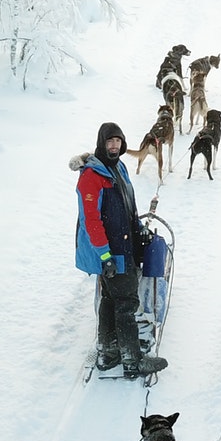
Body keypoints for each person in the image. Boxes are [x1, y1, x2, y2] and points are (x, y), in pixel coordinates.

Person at [74, 121, 168, 377]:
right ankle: (132, 360)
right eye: (109, 141)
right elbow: (90, 220)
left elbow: (127, 206)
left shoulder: (119, 167)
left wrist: (138, 227)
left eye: (118, 141)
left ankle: (108, 352)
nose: (114, 145)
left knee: (109, 299)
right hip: (111, 250)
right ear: (101, 143)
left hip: (124, 243)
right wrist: (104, 255)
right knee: (126, 302)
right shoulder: (92, 177)